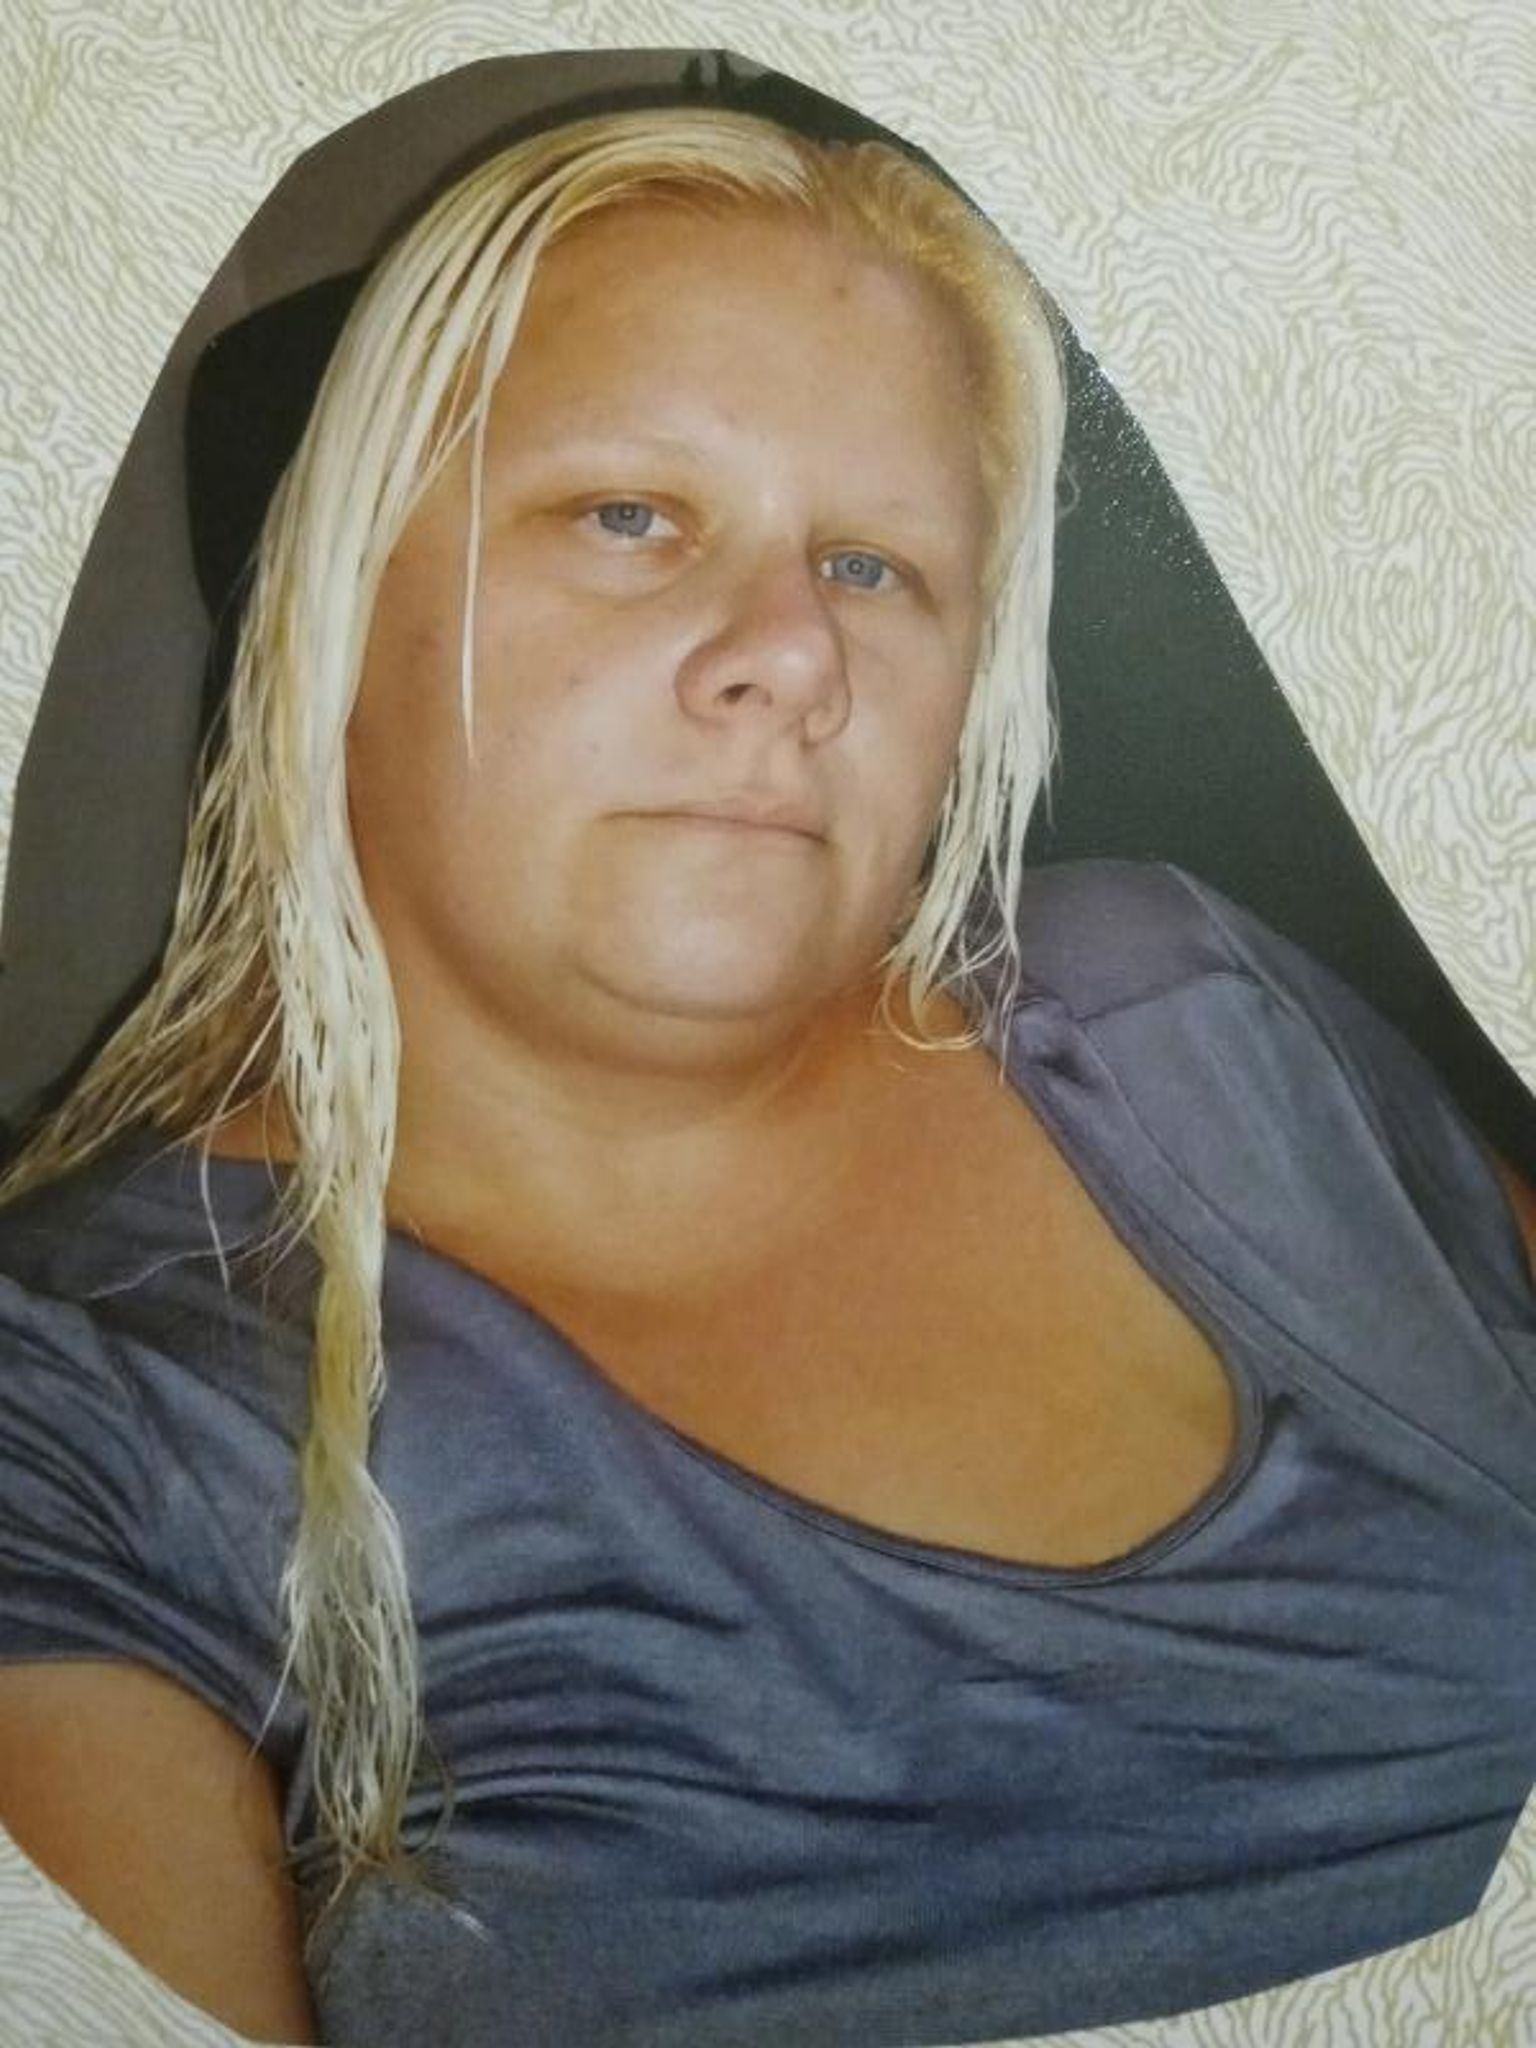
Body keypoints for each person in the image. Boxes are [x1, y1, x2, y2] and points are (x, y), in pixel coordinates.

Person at [0, 99, 1533, 2048]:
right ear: (335, 603)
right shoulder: (82, 1412)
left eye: (875, 565)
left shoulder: (1197, 1020)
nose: (794, 654)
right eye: (629, 516)